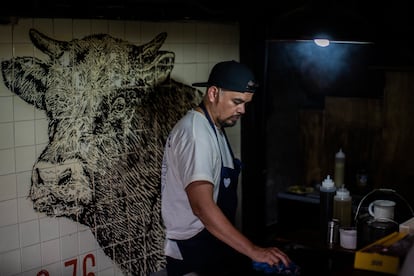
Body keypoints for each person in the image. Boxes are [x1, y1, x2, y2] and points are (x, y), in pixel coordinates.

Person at [160, 60, 291, 275]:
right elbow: (202, 206)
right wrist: (254, 251)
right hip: (193, 252)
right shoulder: (195, 135)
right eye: (237, 102)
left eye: (246, 103)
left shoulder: (215, 127)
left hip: (213, 244)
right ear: (213, 93)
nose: (242, 110)